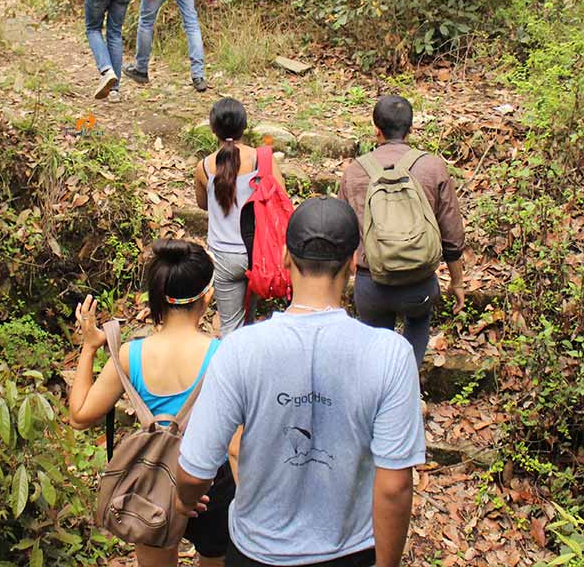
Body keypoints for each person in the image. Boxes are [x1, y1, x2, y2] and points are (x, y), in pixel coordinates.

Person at [175, 198, 425, 567]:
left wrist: (184, 498)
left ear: (285, 258)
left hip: (256, 551)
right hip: (350, 552)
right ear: (353, 263)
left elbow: (194, 470)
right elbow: (395, 486)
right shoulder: (390, 354)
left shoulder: (240, 349)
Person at [69, 239, 235, 566]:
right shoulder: (223, 356)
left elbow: (79, 415)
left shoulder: (131, 354)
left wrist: (89, 348)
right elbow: (237, 443)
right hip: (209, 483)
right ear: (207, 297)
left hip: (152, 482)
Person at [337, 95, 466, 366]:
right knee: (418, 325)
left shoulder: (355, 172)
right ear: (411, 129)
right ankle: (407, 386)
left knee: (374, 350)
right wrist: (456, 282)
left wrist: (340, 284)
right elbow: (451, 231)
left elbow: (342, 235)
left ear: (376, 129)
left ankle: (378, 398)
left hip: (371, 282)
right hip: (419, 283)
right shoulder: (432, 166)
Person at [194, 98, 286, 337]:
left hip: (223, 257)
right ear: (245, 126)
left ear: (213, 129)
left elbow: (203, 204)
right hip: (258, 252)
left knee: (230, 328)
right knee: (250, 319)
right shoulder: (262, 159)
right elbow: (281, 200)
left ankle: (231, 369)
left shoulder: (203, 167)